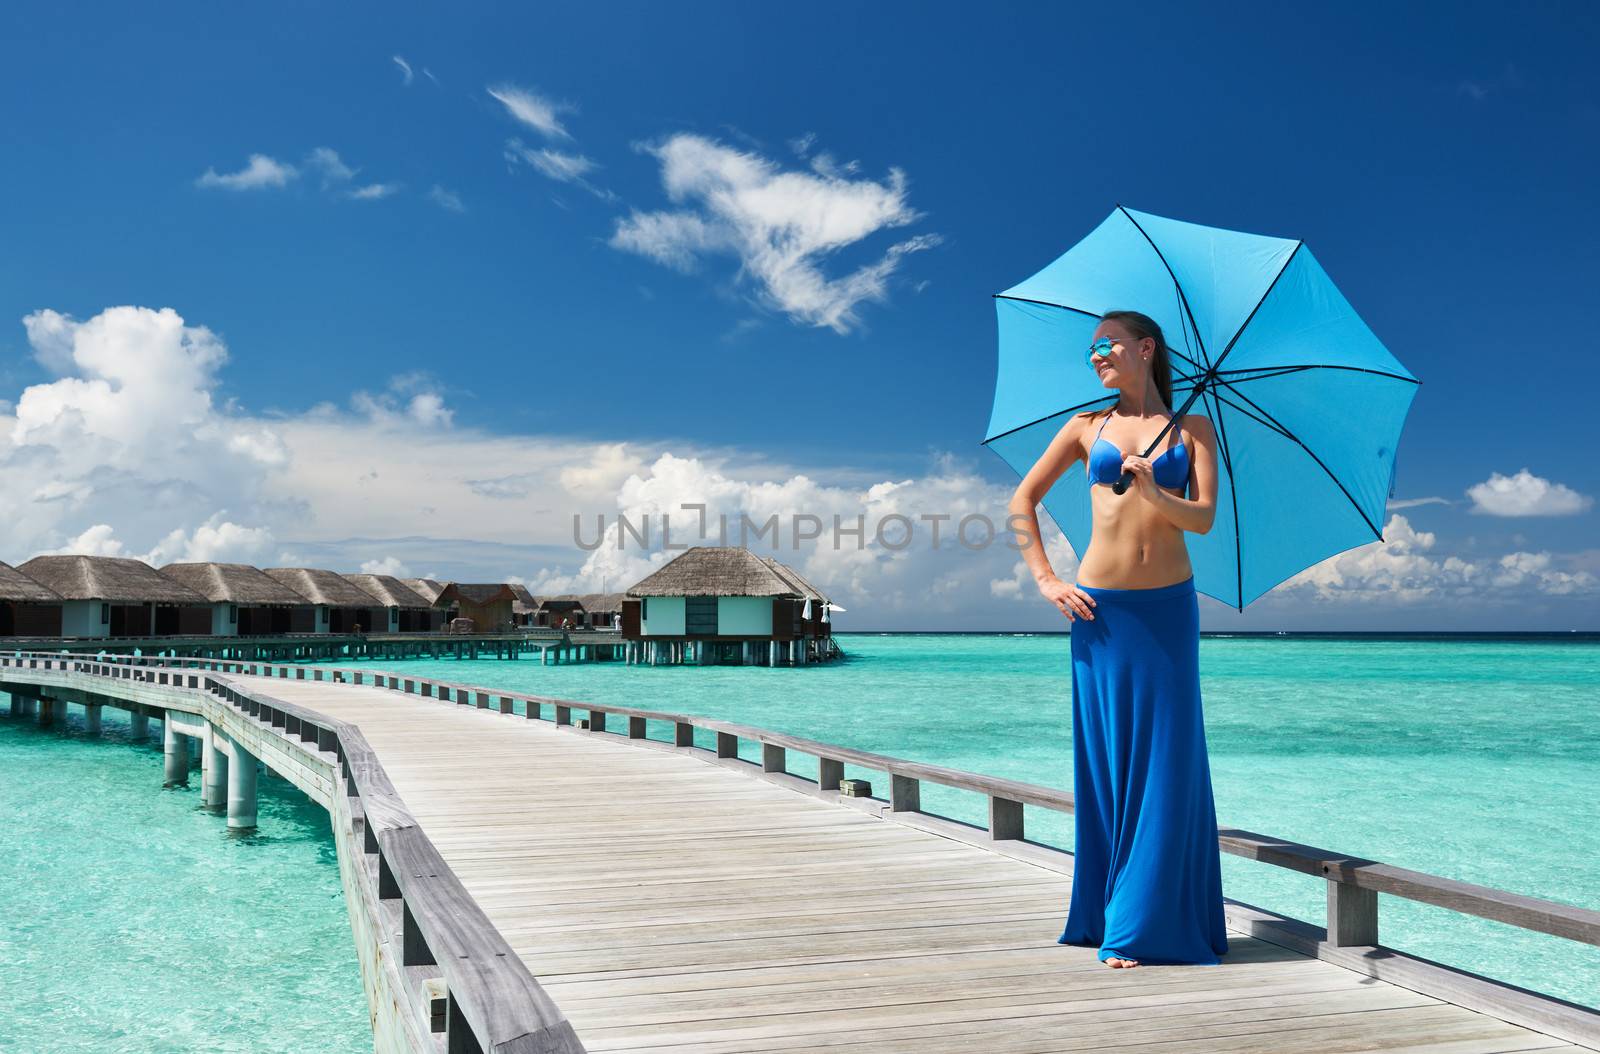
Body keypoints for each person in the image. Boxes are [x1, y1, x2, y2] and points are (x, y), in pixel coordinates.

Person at [1008, 309, 1228, 969]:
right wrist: (1046, 579)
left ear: (1145, 348)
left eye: (1109, 346)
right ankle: (1111, 912)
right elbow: (1022, 501)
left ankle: (1140, 926)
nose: (1098, 356)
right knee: (1108, 764)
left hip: (1165, 612)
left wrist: (1153, 486)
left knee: (1166, 762)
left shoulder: (1193, 428)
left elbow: (1206, 519)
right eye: (1093, 349)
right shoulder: (1085, 428)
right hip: (1097, 614)